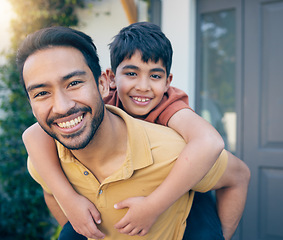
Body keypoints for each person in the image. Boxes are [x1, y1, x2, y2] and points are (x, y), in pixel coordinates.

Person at [19, 25, 249, 240]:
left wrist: (153, 206)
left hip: (187, 185)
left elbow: (209, 142)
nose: (143, 86)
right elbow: (32, 135)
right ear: (110, 79)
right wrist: (69, 201)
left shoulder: (170, 106)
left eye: (155, 76)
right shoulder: (100, 101)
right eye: (131, 74)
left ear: (168, 82)